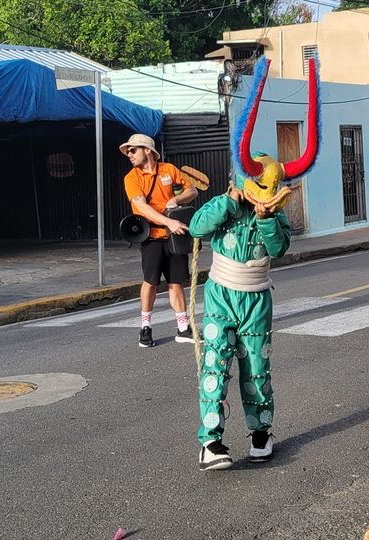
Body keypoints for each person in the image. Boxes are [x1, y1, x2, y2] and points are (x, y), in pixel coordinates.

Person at [188, 54, 319, 471]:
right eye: (257, 186)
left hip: (257, 298)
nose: (264, 192)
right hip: (221, 295)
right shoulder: (226, 203)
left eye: (271, 186)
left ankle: (261, 432)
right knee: (215, 365)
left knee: (257, 368)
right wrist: (230, 200)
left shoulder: (275, 213)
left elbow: (279, 248)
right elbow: (196, 226)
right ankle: (210, 442)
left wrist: (265, 219)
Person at [121, 133, 198, 348]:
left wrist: (176, 198)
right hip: (151, 237)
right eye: (128, 151)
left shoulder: (169, 170)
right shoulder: (132, 178)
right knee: (151, 282)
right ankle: (145, 328)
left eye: (133, 150)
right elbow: (142, 207)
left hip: (175, 236)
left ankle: (183, 328)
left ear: (147, 150)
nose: (129, 154)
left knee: (176, 282)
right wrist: (168, 222)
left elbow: (191, 190)